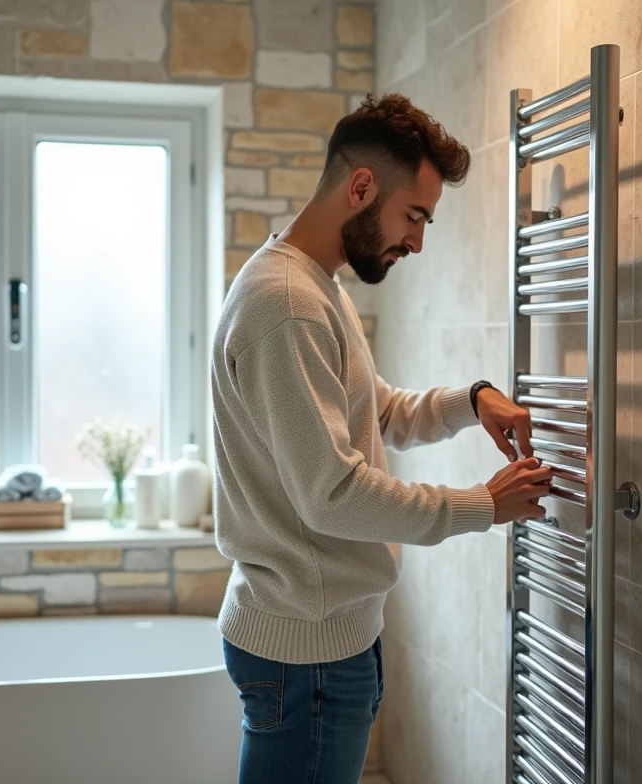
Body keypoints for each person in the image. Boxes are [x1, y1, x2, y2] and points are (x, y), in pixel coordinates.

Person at [211, 93, 555, 784]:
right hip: (304, 652)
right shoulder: (289, 304)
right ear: (361, 187)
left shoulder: (315, 286)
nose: (419, 241)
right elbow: (332, 495)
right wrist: (482, 506)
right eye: (415, 216)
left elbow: (379, 414)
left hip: (319, 635)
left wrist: (471, 401)